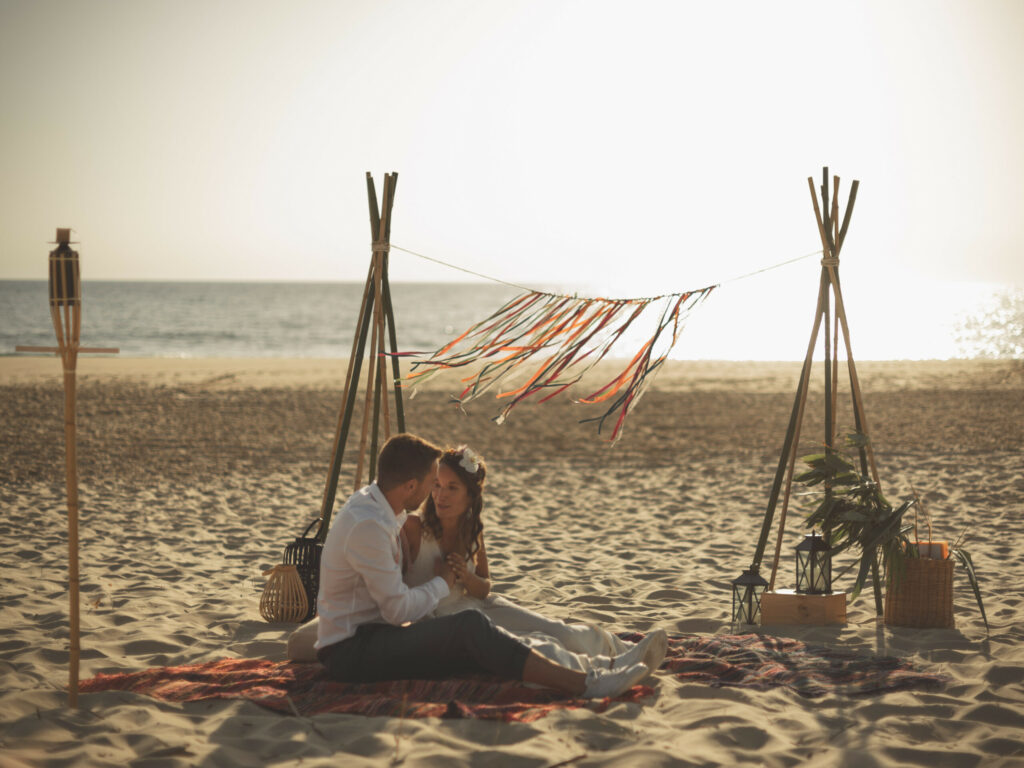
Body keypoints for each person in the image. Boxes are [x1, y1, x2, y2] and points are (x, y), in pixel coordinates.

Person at [310, 433, 652, 699]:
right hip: (355, 650)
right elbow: (398, 610)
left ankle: (605, 663)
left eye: (447, 486)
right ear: (411, 486)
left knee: (517, 627)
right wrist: (443, 581)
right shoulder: (371, 525)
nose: (435, 493)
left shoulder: (382, 510)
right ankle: (587, 683)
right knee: (475, 628)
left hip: (374, 634)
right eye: (432, 483)